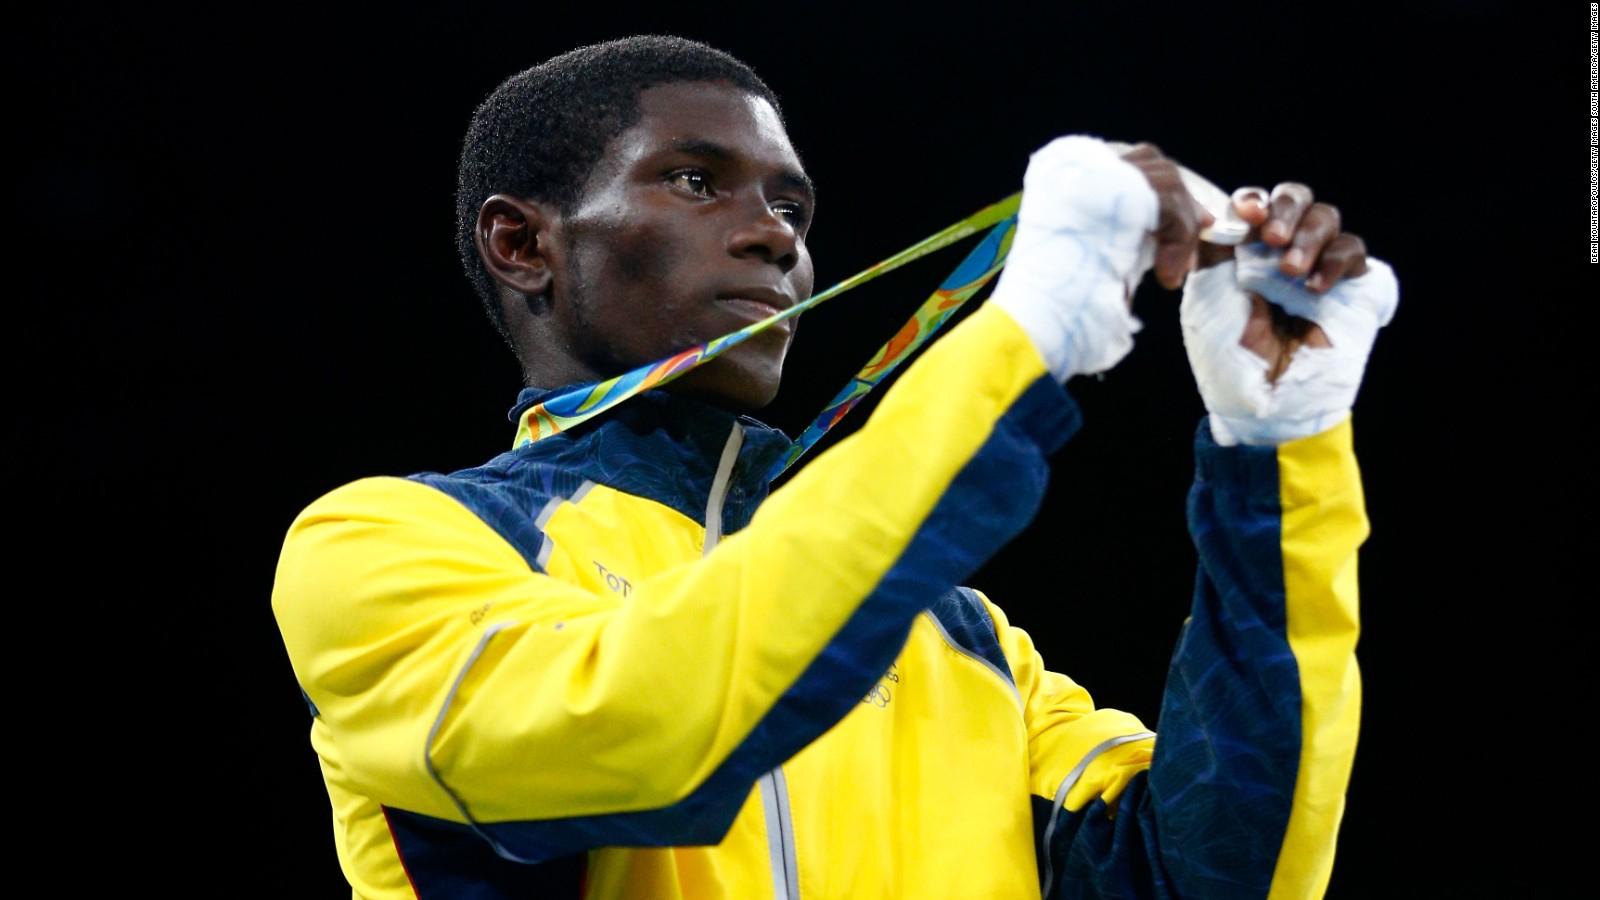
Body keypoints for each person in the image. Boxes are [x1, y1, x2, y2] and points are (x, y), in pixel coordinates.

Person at [271, 34, 1398, 900]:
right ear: (523, 244)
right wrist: (1027, 340)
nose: (775, 235)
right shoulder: (385, 548)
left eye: (792, 204)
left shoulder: (962, 635)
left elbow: (1218, 872)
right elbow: (651, 729)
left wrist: (1275, 452)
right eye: (696, 181)